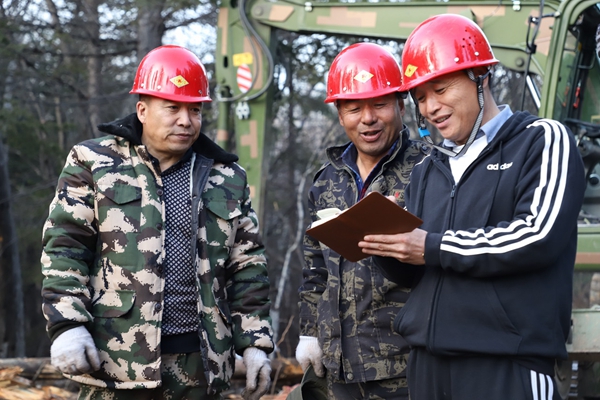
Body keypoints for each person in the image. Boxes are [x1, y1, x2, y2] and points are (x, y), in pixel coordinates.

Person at [358, 14, 586, 400]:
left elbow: (537, 235)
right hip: (427, 365)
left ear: (481, 76)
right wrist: (383, 242)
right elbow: (417, 271)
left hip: (506, 361)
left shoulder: (542, 140)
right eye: (420, 98)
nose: (430, 107)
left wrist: (431, 246)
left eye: (440, 89)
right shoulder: (427, 168)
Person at [40, 45, 274, 400]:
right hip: (116, 362)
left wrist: (255, 343)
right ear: (143, 110)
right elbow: (65, 247)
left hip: (200, 367)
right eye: (172, 108)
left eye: (194, 109)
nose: (186, 120)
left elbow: (248, 267)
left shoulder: (227, 177)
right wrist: (66, 324)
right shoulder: (94, 162)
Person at [295, 42, 429, 399]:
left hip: (406, 365)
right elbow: (315, 268)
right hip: (339, 367)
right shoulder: (326, 181)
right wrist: (309, 332)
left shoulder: (430, 170)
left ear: (401, 106)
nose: (368, 118)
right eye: (354, 108)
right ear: (340, 115)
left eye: (380, 104)